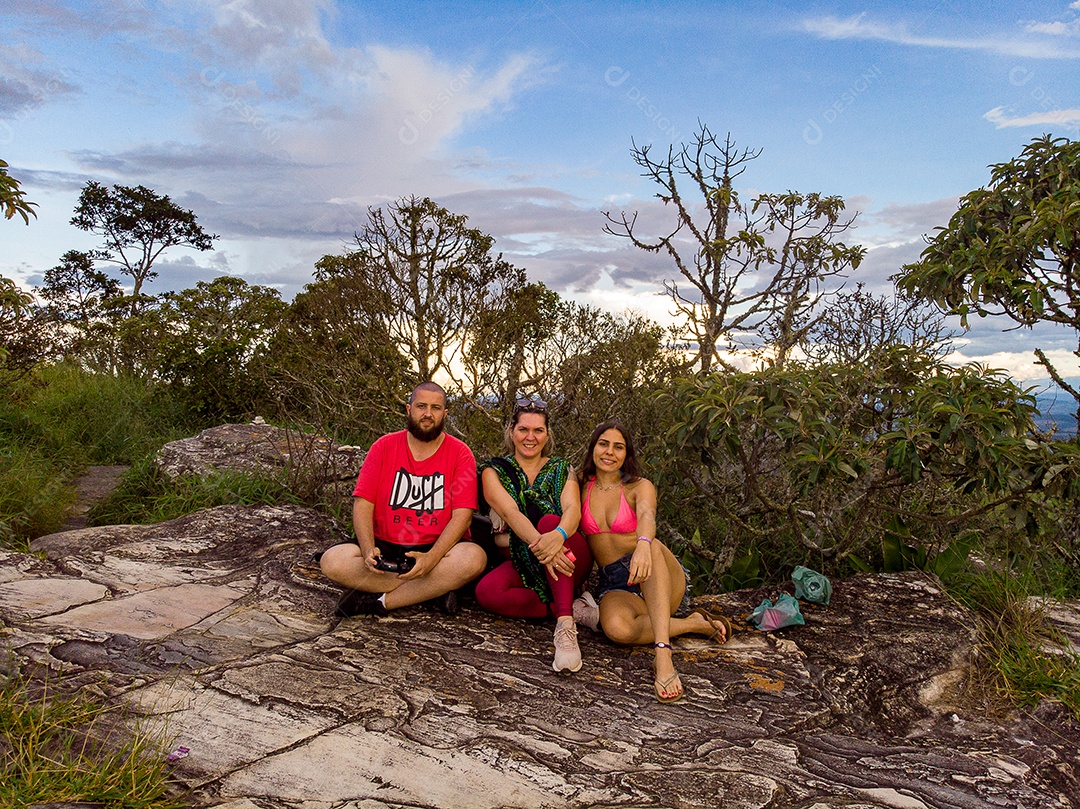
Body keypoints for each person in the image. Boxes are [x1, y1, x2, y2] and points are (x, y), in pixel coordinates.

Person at [574, 421, 731, 702]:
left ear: (627, 454)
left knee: (654, 546)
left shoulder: (639, 486)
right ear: (593, 447)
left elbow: (647, 515)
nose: (609, 452)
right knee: (617, 629)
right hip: (617, 582)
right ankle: (694, 624)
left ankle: (663, 656)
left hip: (657, 573)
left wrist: (643, 544)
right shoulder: (579, 484)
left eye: (618, 447)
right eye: (603, 444)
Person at [320, 381, 487, 617]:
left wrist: (431, 559)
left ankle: (380, 601)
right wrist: (368, 549)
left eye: (436, 408)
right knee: (333, 561)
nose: (428, 414)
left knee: (473, 559)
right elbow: (363, 503)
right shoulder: (384, 447)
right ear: (409, 410)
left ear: (445, 414)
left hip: (437, 549)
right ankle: (434, 590)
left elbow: (463, 516)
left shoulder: (460, 453)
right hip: (386, 546)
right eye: (421, 406)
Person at [474, 398, 593, 672]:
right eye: (523, 429)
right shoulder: (493, 471)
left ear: (547, 434)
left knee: (551, 520)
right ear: (511, 432)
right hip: (523, 559)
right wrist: (543, 546)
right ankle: (570, 607)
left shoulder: (563, 469)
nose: (530, 437)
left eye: (538, 430)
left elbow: (573, 511)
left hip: (571, 556)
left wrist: (557, 535)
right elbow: (511, 512)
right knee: (487, 592)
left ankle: (565, 626)